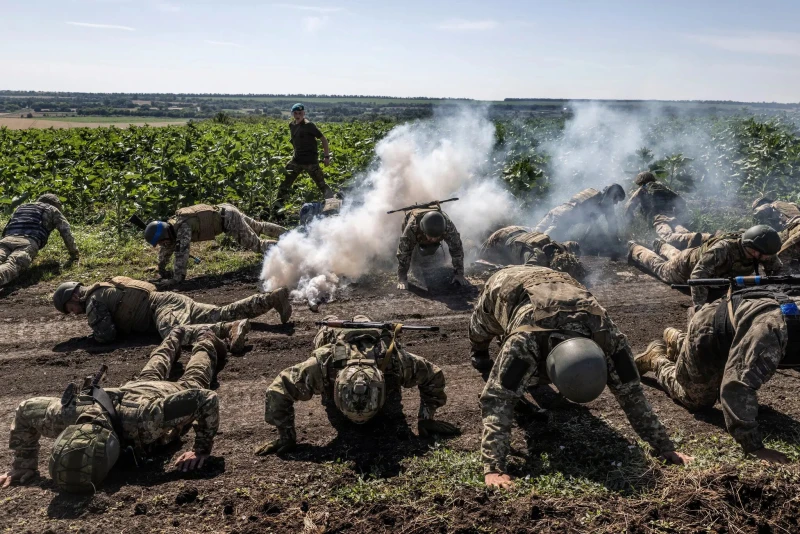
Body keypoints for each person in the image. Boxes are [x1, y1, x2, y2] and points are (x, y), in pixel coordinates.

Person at [469, 265, 692, 489]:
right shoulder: (525, 342)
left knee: (525, 374)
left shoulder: (609, 337)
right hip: (506, 284)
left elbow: (632, 392)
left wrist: (664, 446)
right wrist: (494, 467)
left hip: (562, 283)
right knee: (479, 331)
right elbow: (498, 398)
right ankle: (478, 352)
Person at [0, 327, 228, 491]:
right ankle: (175, 335)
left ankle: (206, 338)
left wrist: (201, 450)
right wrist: (22, 465)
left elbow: (205, 399)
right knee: (153, 367)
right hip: (133, 389)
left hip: (159, 396)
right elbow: (26, 410)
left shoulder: (146, 420)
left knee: (196, 376)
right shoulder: (66, 417)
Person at [635, 284, 800, 464]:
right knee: (696, 400)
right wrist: (754, 448)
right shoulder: (771, 331)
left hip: (742, 332)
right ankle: (657, 358)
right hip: (708, 334)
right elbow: (736, 386)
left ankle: (679, 343)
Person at [255, 315, 459, 455]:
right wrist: (286, 436)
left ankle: (363, 321)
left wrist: (426, 418)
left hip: (376, 344)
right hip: (337, 339)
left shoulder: (396, 362)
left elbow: (433, 375)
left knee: (374, 329)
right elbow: (278, 389)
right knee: (324, 333)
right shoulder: (323, 365)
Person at [51, 276, 292, 349]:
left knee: (173, 334)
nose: (73, 313)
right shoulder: (103, 287)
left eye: (69, 309)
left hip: (162, 308)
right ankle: (270, 298)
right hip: (170, 300)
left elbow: (106, 335)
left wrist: (87, 341)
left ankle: (228, 331)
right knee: (222, 311)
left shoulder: (93, 301)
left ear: (73, 296)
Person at [628, 225, 783, 307]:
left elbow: (777, 271)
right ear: (753, 250)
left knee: (674, 255)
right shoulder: (723, 250)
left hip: (698, 257)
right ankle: (636, 249)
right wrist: (699, 307)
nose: (769, 258)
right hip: (685, 266)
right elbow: (698, 276)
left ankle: (661, 245)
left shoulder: (762, 249)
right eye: (766, 255)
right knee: (660, 268)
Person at [144, 203, 286, 287]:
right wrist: (162, 270)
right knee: (258, 227)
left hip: (229, 220)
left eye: (161, 242)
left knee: (257, 245)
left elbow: (182, 254)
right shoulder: (171, 229)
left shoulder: (182, 228)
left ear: (164, 235)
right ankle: (290, 235)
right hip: (226, 210)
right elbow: (166, 251)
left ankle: (287, 249)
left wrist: (176, 279)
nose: (162, 245)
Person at [0, 194, 79, 288]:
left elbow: (7, 228)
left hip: (6, 239)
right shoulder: (52, 209)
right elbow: (65, 231)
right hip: (27, 242)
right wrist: (74, 253)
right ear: (56, 204)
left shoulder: (22, 207)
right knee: (12, 265)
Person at [274, 103, 334, 209]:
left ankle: (333, 207)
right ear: (293, 114)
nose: (298, 115)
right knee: (284, 184)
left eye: (300, 113)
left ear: (304, 113)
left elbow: (323, 139)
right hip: (296, 160)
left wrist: (326, 157)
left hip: (310, 162)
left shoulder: (309, 126)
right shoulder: (292, 125)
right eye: (295, 113)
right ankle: (277, 209)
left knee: (322, 185)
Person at [533, 184, 625, 250]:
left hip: (557, 211)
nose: (616, 203)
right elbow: (611, 225)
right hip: (563, 218)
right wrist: (615, 242)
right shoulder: (603, 204)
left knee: (534, 233)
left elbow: (592, 223)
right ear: (613, 195)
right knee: (542, 241)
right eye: (617, 199)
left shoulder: (592, 191)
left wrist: (584, 239)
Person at [478, 226, 586, 282]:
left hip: (520, 230)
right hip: (499, 238)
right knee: (480, 260)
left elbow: (573, 245)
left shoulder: (559, 248)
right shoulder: (536, 259)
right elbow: (525, 274)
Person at [396, 205, 466, 290]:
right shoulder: (412, 229)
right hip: (415, 232)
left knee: (434, 251)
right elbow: (403, 253)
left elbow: (457, 249)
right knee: (413, 256)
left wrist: (459, 274)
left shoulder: (448, 227)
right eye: (431, 237)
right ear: (424, 231)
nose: (434, 240)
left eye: (437, 237)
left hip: (432, 232)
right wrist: (402, 278)